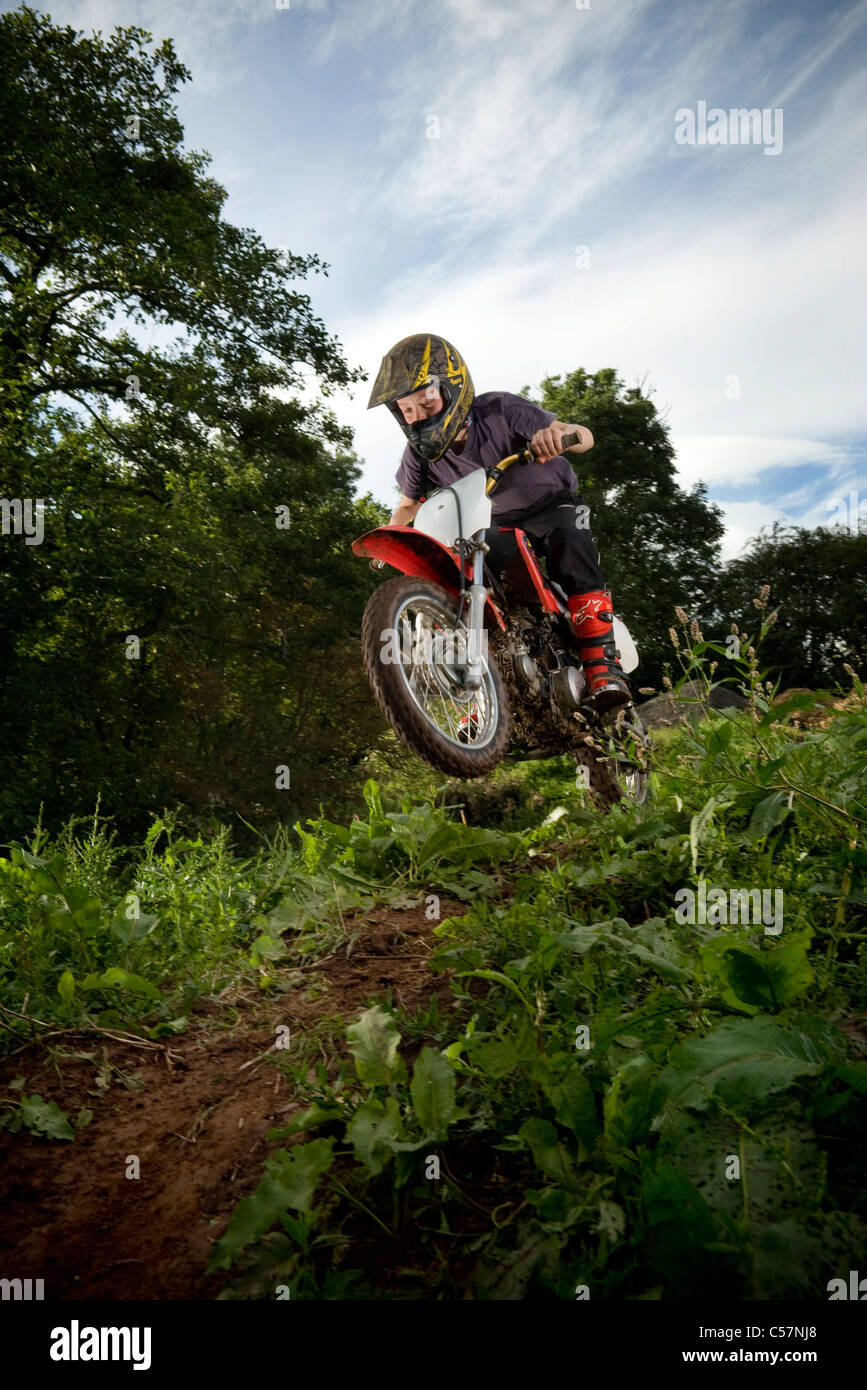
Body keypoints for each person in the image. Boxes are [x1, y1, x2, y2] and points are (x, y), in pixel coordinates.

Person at [367, 332, 630, 712]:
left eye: (426, 402)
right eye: (408, 410)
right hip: (490, 525)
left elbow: (583, 436)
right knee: (467, 582)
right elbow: (408, 505)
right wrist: (396, 538)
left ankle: (602, 664)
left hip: (549, 506)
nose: (419, 416)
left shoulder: (500, 410)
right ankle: (486, 693)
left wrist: (555, 437)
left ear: (452, 388)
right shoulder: (417, 456)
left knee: (571, 537)